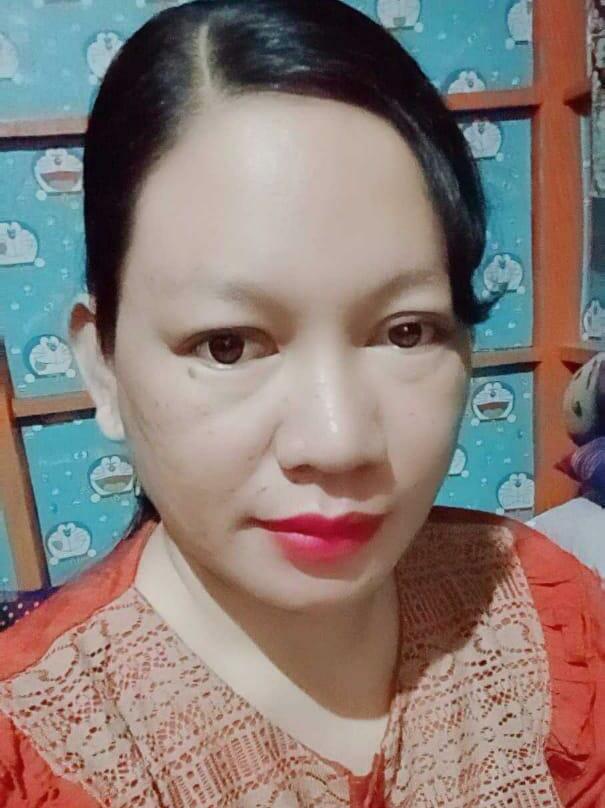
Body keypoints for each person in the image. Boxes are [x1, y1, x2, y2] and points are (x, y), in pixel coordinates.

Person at [0, 1, 603, 805]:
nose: (338, 440)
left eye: (405, 332)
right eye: (227, 345)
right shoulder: (37, 747)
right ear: (103, 368)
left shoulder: (541, 611)